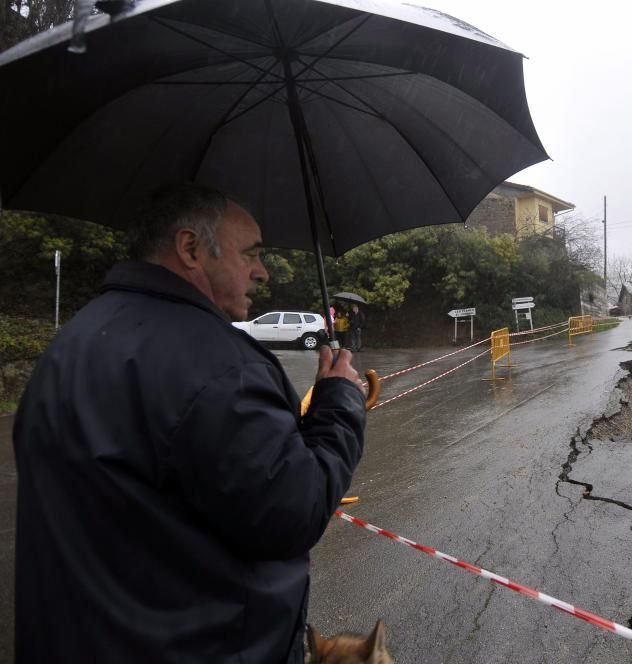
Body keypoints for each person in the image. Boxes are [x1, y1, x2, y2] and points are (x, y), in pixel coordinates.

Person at [13, 184, 367, 663]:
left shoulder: (68, 346)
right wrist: (340, 401)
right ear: (191, 249)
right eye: (251, 254)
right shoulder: (220, 369)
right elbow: (294, 509)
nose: (261, 272)